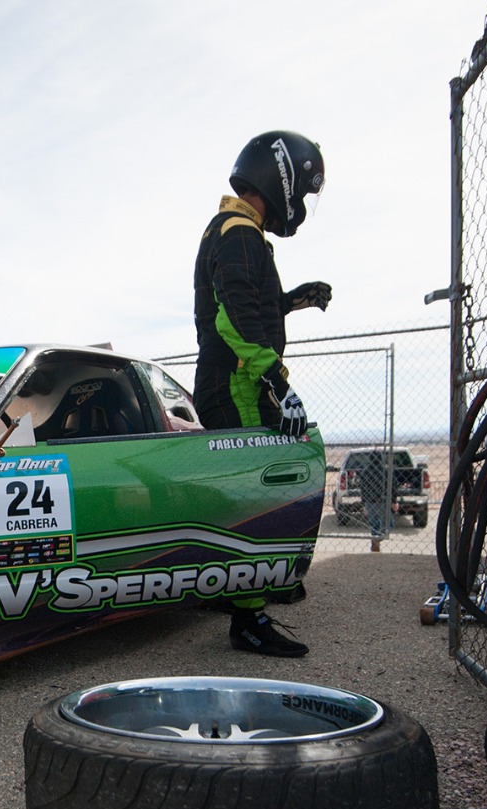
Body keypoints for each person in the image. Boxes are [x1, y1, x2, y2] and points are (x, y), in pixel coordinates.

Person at [193, 130, 329, 657]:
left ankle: (237, 591)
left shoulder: (229, 230)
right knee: (260, 495)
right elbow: (234, 319)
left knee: (247, 494)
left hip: (233, 381)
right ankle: (248, 621)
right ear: (283, 177)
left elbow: (242, 301)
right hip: (240, 384)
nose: (302, 206)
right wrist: (278, 383)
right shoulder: (238, 233)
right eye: (304, 191)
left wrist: (291, 301)